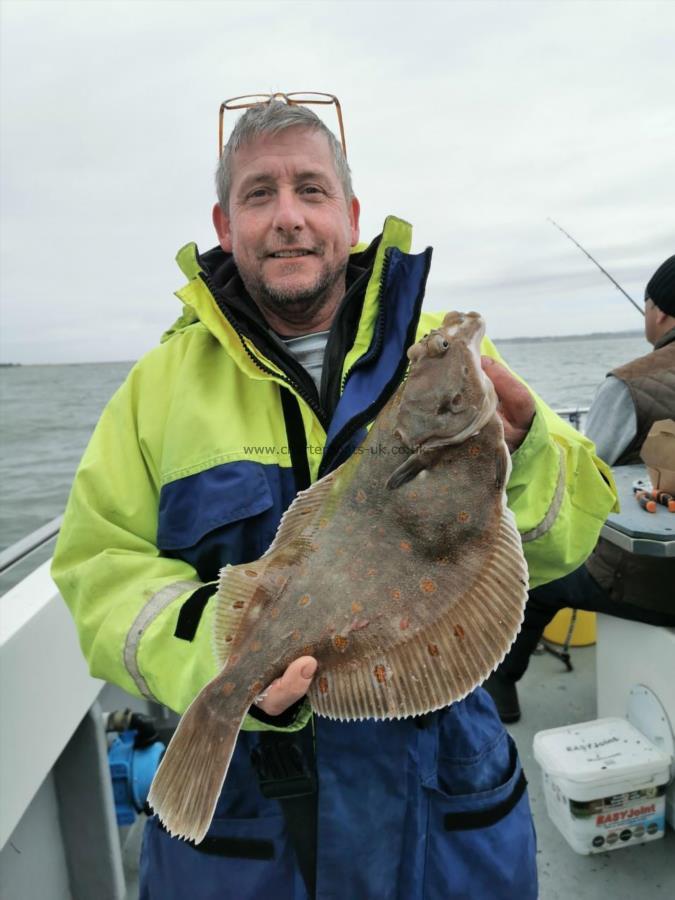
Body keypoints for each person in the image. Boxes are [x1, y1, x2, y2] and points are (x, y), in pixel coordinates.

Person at [52, 96, 617, 900]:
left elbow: (562, 543)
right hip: (245, 825)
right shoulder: (157, 389)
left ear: (349, 215)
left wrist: (522, 449)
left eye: (311, 190)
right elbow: (96, 568)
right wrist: (225, 654)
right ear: (224, 223)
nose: (288, 216)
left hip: (442, 796)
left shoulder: (443, 356)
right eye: (259, 194)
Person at [485, 254, 675, 724]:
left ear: (660, 314)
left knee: (537, 585)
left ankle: (500, 686)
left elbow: (589, 476)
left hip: (653, 587)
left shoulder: (632, 383)